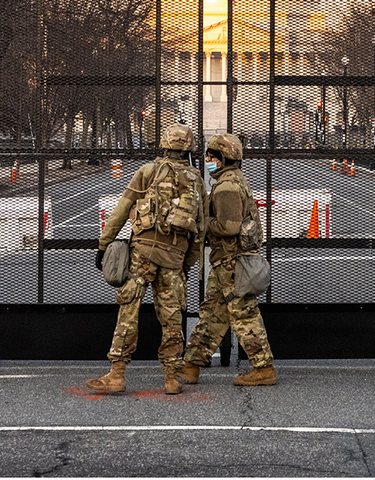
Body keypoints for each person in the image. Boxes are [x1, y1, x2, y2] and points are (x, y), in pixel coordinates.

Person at [87, 124, 206, 395]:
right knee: (172, 316)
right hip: (175, 257)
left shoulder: (148, 172)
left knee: (129, 310)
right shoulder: (196, 179)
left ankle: (117, 374)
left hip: (142, 252)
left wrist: (105, 244)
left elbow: (121, 209)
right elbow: (200, 229)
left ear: (164, 144)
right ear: (188, 149)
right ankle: (171, 378)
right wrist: (187, 262)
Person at [179, 133, 276, 386]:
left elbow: (229, 226)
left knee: (243, 314)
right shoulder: (232, 181)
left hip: (231, 262)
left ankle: (263, 368)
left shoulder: (227, 187)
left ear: (223, 159)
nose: (208, 159)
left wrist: (202, 221)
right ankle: (191, 365)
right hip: (228, 261)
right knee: (213, 313)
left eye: (212, 156)